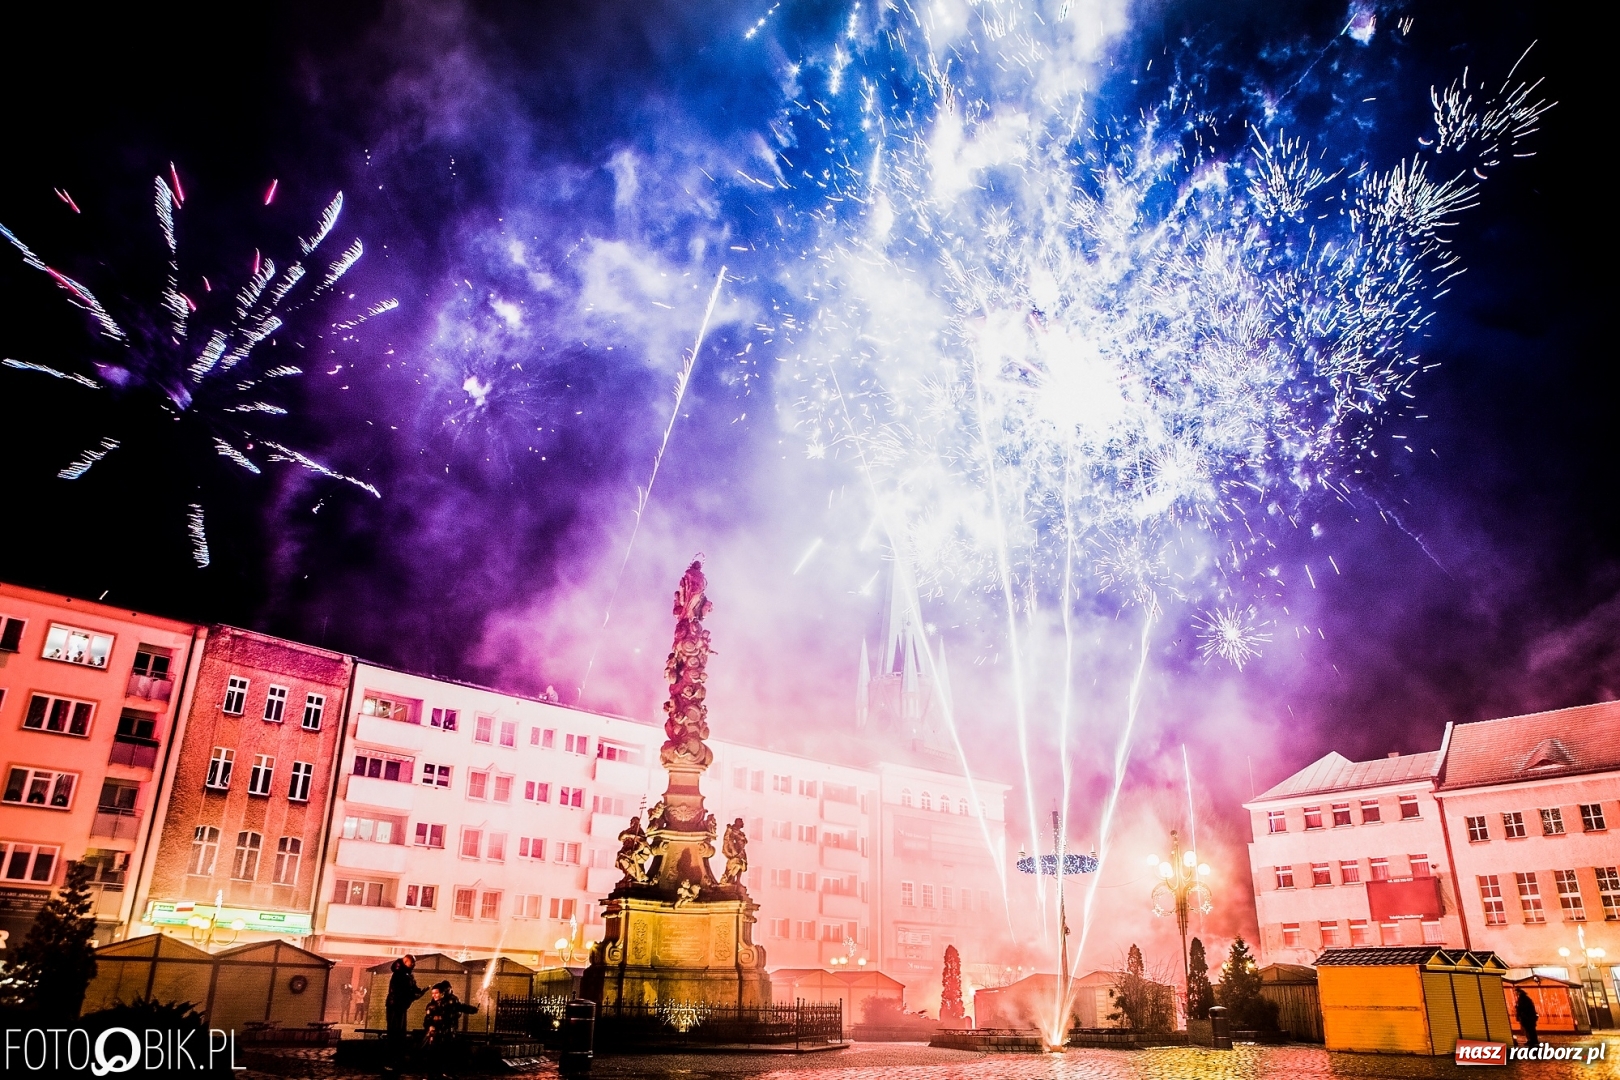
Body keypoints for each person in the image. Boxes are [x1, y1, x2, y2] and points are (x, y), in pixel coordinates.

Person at [421, 981, 478, 1078]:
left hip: (448, 1034)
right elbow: (427, 1021)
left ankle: (447, 1073)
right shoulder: (431, 1005)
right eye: (433, 993)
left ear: (442, 993)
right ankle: (433, 1074)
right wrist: (431, 1026)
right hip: (436, 1035)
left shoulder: (451, 1002)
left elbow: (460, 1008)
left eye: (436, 993)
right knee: (433, 1055)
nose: (434, 995)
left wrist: (472, 1009)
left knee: (448, 1054)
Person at [385, 954, 425, 1068]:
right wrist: (415, 994)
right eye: (412, 962)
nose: (414, 965)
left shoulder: (406, 974)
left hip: (399, 1006)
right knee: (395, 1033)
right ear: (406, 961)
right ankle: (393, 1060)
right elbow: (404, 991)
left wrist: (417, 992)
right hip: (396, 1006)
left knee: (399, 1033)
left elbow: (411, 988)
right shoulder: (400, 974)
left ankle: (396, 1059)